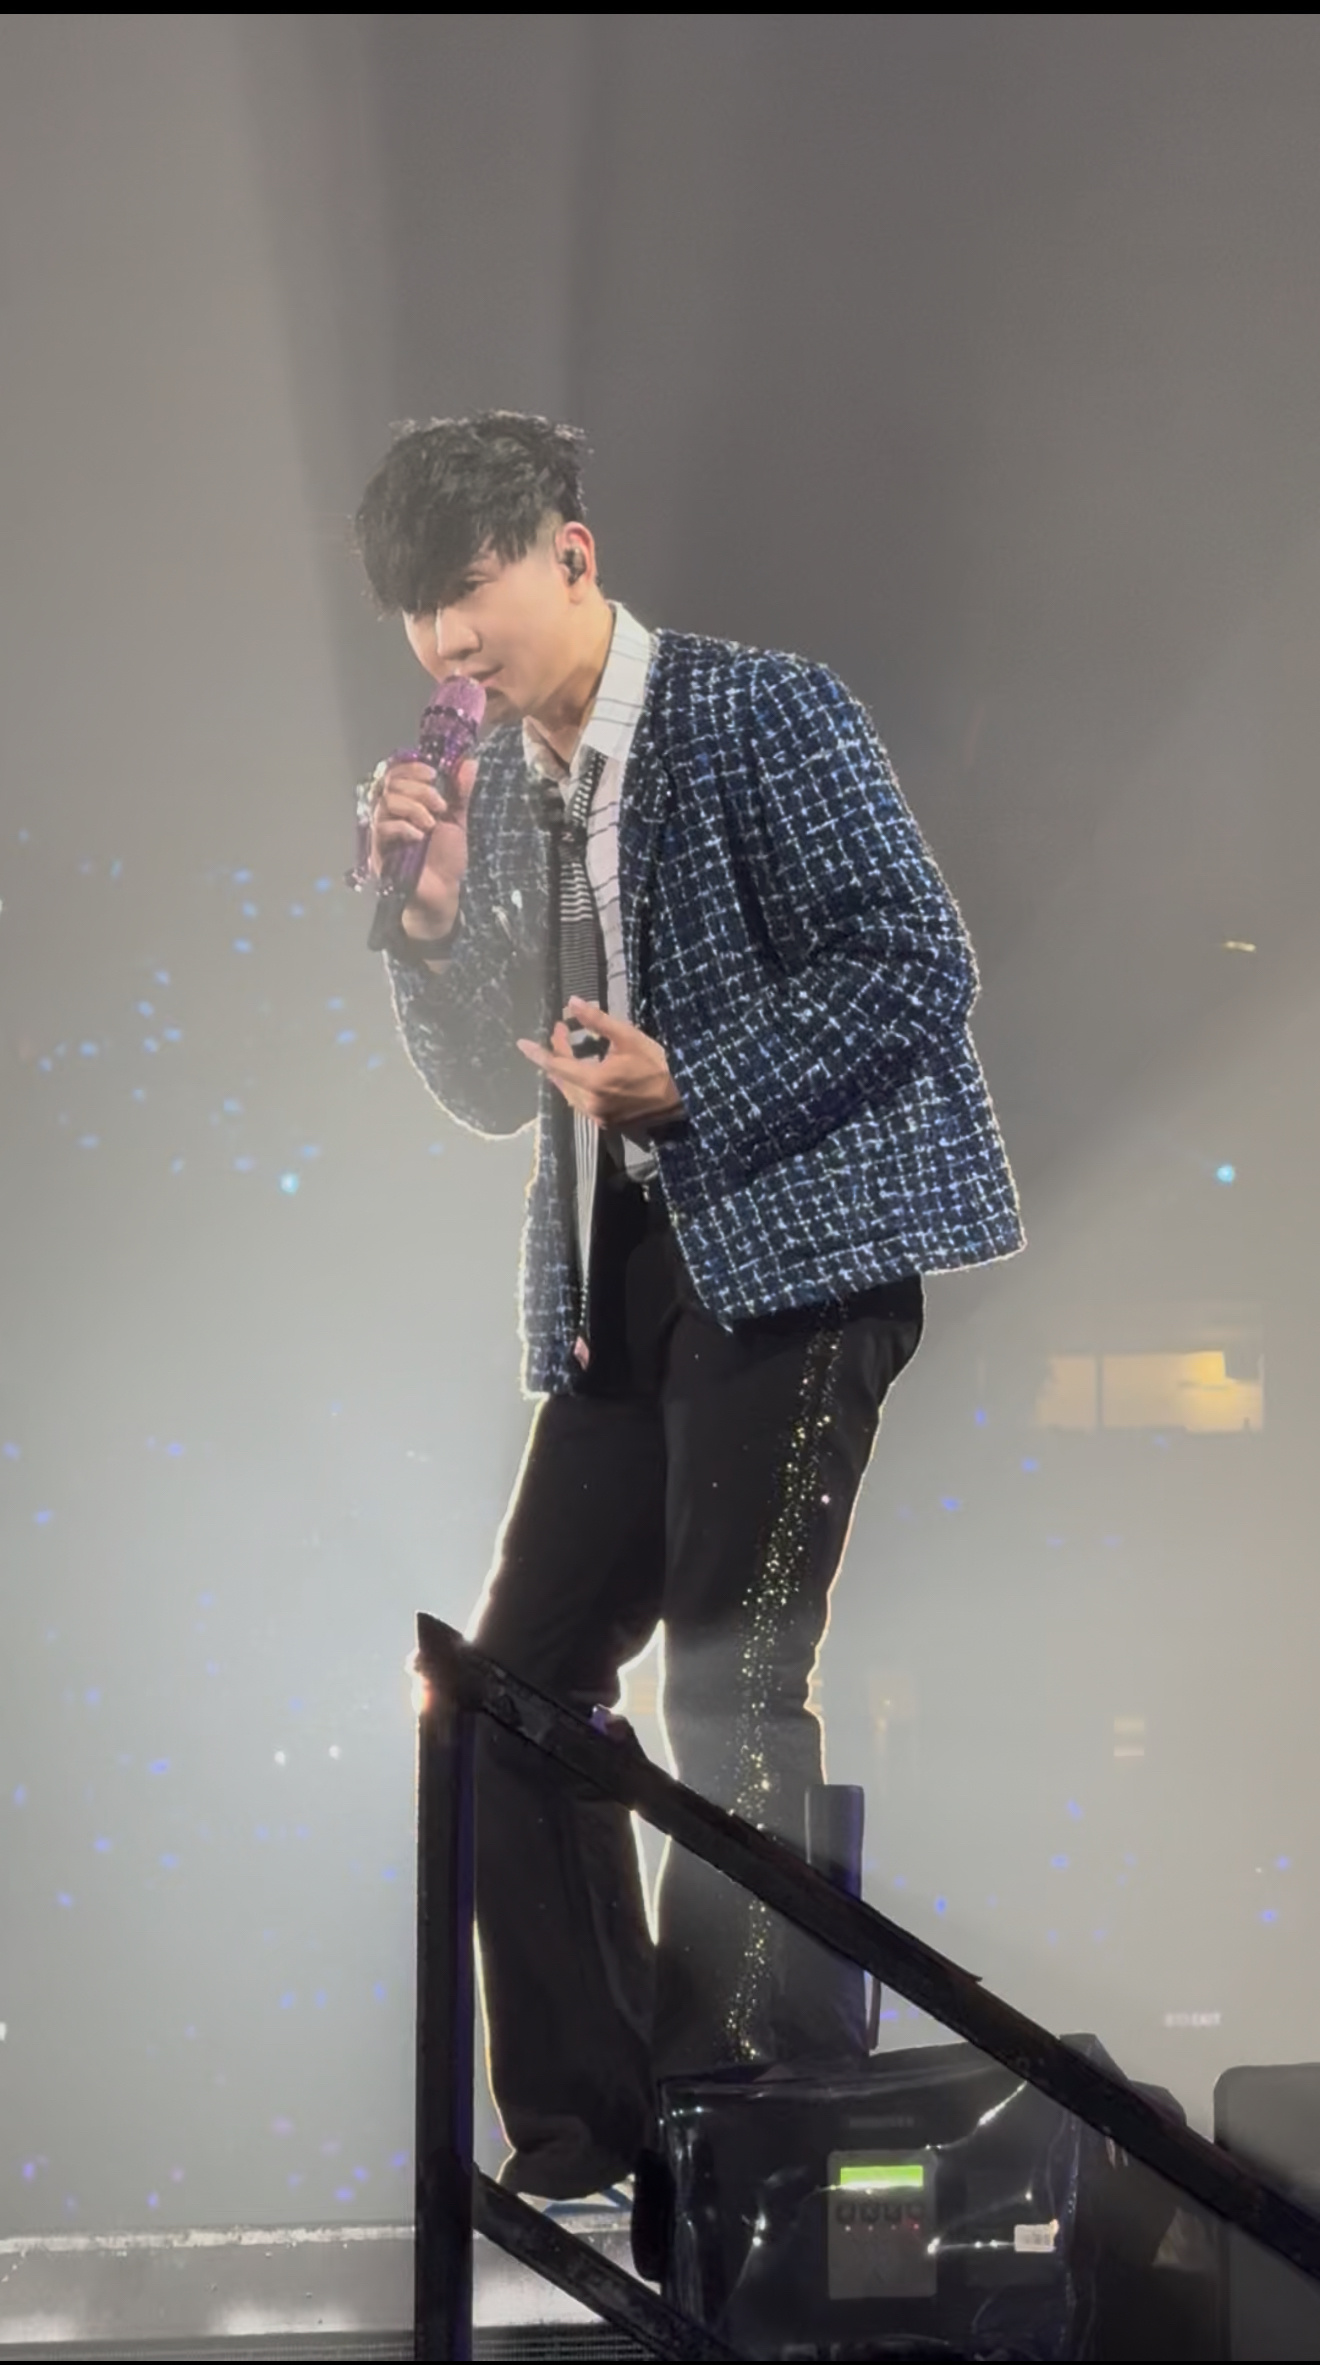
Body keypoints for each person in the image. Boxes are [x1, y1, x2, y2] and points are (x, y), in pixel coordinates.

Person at [353, 410, 1023, 2202]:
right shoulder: (503, 791)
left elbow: (915, 961)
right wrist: (432, 926)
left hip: (798, 1256)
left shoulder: (760, 710)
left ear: (569, 554)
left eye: (470, 589)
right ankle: (594, 2128)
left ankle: (747, 2107)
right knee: (505, 1697)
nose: (448, 641)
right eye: (420, 613)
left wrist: (697, 1083)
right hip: (623, 1275)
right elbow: (490, 1086)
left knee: (734, 1676)